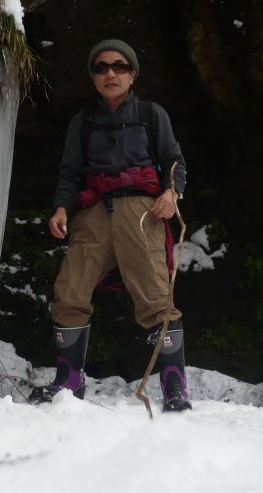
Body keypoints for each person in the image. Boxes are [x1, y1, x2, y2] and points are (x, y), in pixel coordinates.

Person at [28, 39, 191, 412]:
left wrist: (172, 193)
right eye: (101, 67)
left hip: (142, 212)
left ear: (132, 74)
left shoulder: (151, 114)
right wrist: (61, 208)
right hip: (94, 214)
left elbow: (174, 161)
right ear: (93, 77)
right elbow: (70, 172)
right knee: (69, 290)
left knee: (155, 296)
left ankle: (174, 386)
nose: (110, 73)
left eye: (119, 66)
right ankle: (69, 380)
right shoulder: (83, 122)